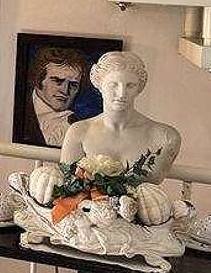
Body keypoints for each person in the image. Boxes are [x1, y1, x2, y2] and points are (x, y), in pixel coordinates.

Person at [60, 52, 181, 184]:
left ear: (139, 88)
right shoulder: (79, 132)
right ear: (99, 84)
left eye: (130, 85)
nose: (121, 93)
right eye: (114, 84)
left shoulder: (165, 137)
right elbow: (67, 186)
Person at [23, 47, 86, 146]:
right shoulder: (18, 110)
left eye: (73, 85)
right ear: (39, 80)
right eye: (57, 81)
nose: (65, 91)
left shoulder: (78, 125)